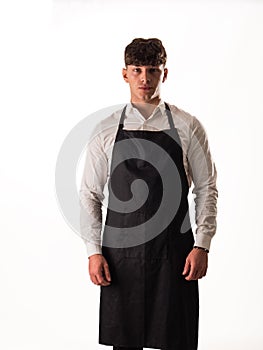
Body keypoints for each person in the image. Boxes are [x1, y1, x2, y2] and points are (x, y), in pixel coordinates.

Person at [79, 38, 218, 350]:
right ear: (125, 74)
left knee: (176, 341)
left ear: (164, 74)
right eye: (137, 70)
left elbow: (207, 188)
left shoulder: (187, 126)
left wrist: (203, 245)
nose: (145, 78)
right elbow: (90, 193)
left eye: (152, 70)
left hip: (176, 256)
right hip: (120, 259)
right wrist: (93, 251)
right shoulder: (106, 129)